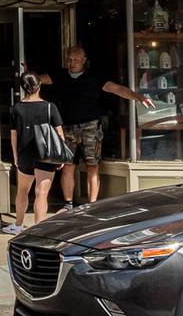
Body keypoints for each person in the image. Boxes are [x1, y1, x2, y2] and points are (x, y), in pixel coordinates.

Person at [38, 45, 151, 209]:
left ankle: (92, 205)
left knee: (92, 166)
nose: (72, 63)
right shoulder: (60, 75)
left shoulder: (94, 77)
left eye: (76, 60)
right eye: (69, 60)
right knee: (67, 166)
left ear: (84, 60)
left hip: (90, 126)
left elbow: (117, 89)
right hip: (67, 127)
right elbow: (38, 80)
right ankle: (68, 204)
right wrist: (26, 73)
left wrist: (138, 97)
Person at [5, 72, 62, 236]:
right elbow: (59, 133)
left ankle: (18, 225)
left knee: (22, 190)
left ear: (23, 88)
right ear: (39, 85)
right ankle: (39, 231)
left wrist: (16, 156)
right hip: (46, 154)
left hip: (25, 154)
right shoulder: (50, 107)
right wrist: (60, 155)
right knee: (41, 193)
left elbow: (14, 135)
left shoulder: (16, 108)